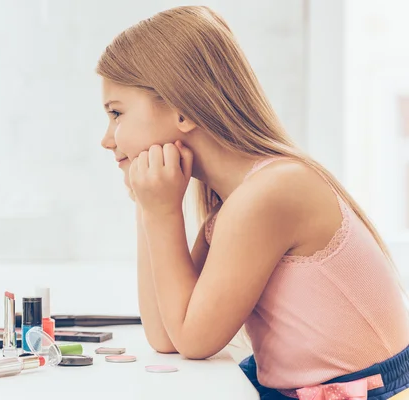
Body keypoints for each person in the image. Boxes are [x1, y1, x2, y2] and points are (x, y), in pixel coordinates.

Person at [97, 6, 409, 399]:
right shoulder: (235, 203)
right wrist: (149, 206)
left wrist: (162, 212)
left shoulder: (271, 193)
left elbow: (194, 340)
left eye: (116, 113)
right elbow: (167, 334)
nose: (107, 139)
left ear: (182, 110)